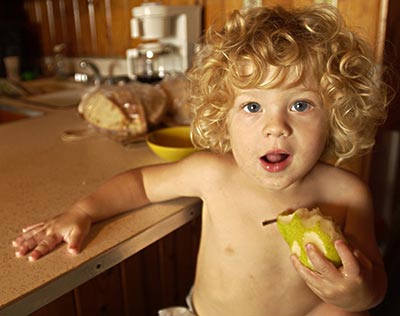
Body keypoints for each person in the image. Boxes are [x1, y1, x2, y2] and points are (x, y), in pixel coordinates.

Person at [12, 4, 390, 316]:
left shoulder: (348, 194)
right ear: (223, 115)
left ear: (336, 114)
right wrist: (82, 211)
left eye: (301, 104)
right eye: (253, 106)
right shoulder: (213, 173)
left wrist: (354, 294)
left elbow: (373, 287)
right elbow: (140, 184)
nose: (276, 127)